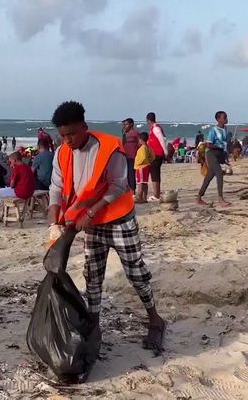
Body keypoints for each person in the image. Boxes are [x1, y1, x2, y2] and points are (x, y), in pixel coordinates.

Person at [47, 101, 165, 353]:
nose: (67, 140)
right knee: (93, 276)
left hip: (119, 219)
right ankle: (95, 326)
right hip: (92, 226)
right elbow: (56, 188)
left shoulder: (109, 148)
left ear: (85, 127)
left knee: (135, 272)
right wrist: (53, 222)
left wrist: (89, 213)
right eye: (63, 135)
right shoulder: (61, 153)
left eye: (72, 134)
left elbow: (118, 185)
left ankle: (155, 318)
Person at [0, 152, 34, 225]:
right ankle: (3, 216)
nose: (10, 163)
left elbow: (12, 185)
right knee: (4, 191)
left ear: (14, 160)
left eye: (10, 161)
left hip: (20, 192)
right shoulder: (26, 166)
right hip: (29, 192)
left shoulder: (17, 168)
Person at [196, 111, 232, 207]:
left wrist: (225, 156)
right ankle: (220, 199)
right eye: (224, 117)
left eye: (226, 117)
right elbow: (209, 144)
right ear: (218, 119)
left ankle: (199, 197)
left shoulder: (225, 129)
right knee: (219, 174)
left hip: (219, 155)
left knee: (209, 177)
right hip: (211, 154)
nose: (226, 119)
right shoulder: (213, 130)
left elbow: (225, 144)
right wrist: (219, 146)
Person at [146, 112, 168, 201]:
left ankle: (156, 195)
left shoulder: (156, 128)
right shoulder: (153, 128)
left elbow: (162, 140)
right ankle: (156, 194)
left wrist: (165, 152)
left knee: (155, 174)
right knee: (154, 174)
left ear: (148, 120)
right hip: (154, 154)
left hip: (157, 154)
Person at [134, 132, 154, 203]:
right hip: (146, 166)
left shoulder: (143, 148)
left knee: (140, 183)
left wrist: (138, 163)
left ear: (141, 139)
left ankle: (140, 197)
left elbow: (143, 157)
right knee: (144, 182)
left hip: (141, 167)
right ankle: (144, 197)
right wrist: (149, 161)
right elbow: (152, 156)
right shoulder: (148, 147)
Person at [121, 118, 140, 191]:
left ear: (131, 124)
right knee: (126, 173)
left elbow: (140, 143)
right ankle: (129, 189)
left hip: (132, 156)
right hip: (126, 155)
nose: (125, 126)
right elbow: (123, 143)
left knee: (131, 173)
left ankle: (132, 189)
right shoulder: (125, 133)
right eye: (124, 125)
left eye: (126, 124)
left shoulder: (135, 133)